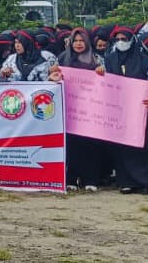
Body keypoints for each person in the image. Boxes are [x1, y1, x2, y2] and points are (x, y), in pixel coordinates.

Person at [105, 26, 148, 199]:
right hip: (118, 108)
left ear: (132, 40)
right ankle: (126, 182)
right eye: (118, 39)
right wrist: (100, 72)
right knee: (122, 146)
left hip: (140, 109)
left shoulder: (144, 59)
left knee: (143, 145)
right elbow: (104, 80)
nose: (121, 42)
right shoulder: (109, 59)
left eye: (124, 39)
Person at [50, 28, 106, 191]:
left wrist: (101, 72)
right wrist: (52, 75)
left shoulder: (97, 59)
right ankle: (72, 179)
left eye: (82, 40)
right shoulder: (62, 59)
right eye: (75, 41)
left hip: (92, 108)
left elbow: (109, 82)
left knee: (91, 144)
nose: (79, 44)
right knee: (72, 144)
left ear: (87, 42)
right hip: (70, 109)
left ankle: (91, 179)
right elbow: (52, 81)